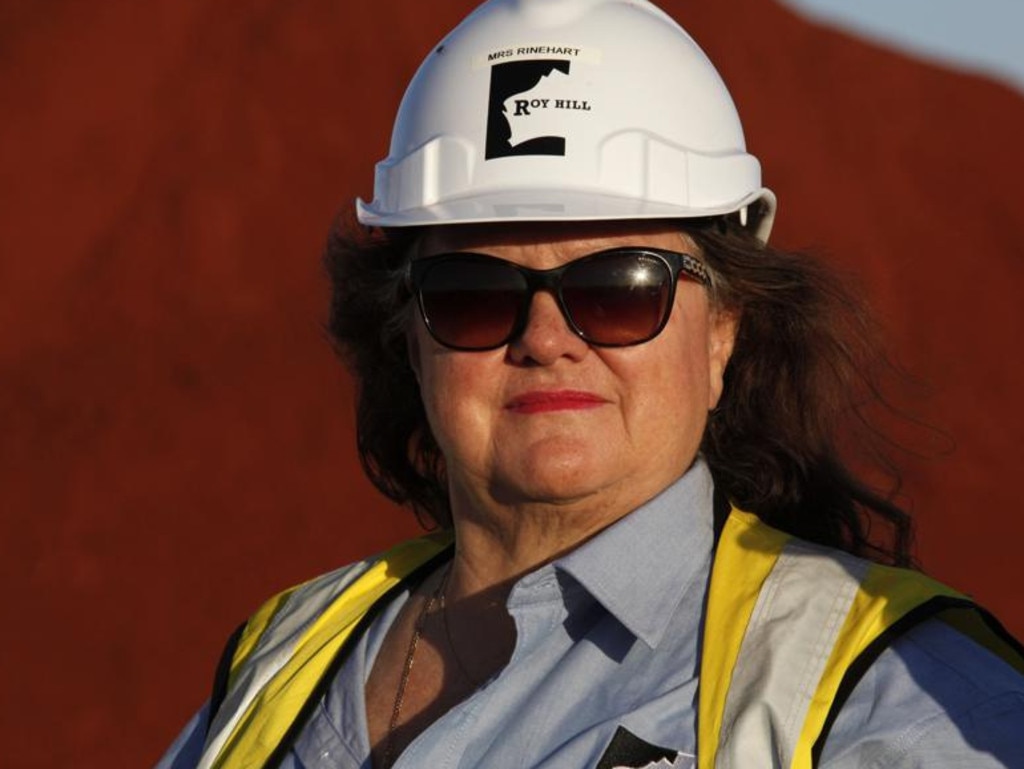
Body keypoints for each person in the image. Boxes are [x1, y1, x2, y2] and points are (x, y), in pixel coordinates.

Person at [157, 0, 1024, 767]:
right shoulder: (282, 661)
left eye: (619, 290)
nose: (546, 339)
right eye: (473, 295)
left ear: (724, 329)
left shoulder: (893, 702)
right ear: (409, 339)